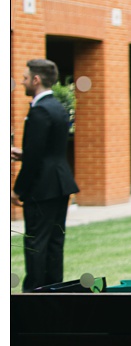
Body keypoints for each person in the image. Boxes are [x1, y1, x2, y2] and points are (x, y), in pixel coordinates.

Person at [11, 59, 77, 290]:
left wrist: (18, 189)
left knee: (35, 243)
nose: (22, 82)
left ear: (36, 80)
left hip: (42, 187)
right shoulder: (58, 107)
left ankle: (33, 296)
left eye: (26, 78)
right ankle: (55, 292)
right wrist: (26, 153)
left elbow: (36, 159)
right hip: (61, 183)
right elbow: (48, 149)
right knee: (55, 243)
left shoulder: (39, 110)